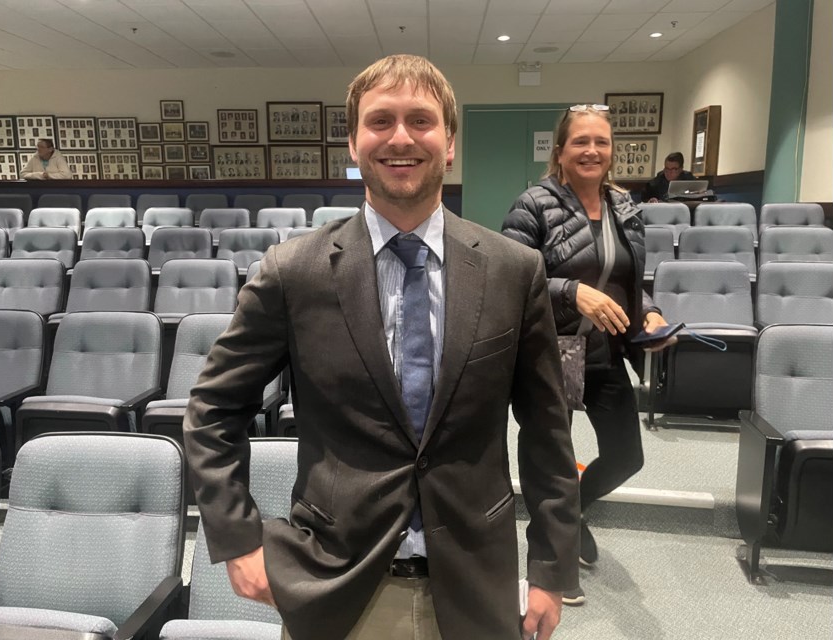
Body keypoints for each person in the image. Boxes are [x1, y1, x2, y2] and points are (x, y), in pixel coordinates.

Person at [183, 54, 581, 640]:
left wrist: (551, 567)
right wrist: (237, 539)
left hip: (476, 582)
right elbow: (213, 411)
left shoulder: (513, 270)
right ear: (353, 142)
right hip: (338, 584)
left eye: (421, 120)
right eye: (381, 121)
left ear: (449, 142)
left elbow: (548, 430)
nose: (401, 138)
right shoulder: (294, 272)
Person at [501, 104, 677, 569]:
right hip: (550, 352)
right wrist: (571, 292)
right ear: (560, 152)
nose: (591, 151)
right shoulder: (533, 204)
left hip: (604, 353)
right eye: (580, 141)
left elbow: (629, 277)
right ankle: (552, 560)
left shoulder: (623, 205)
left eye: (601, 142)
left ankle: (573, 513)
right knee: (550, 462)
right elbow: (510, 280)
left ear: (611, 152)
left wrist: (652, 315)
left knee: (625, 456)